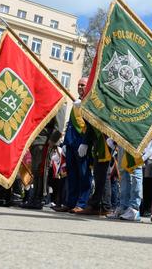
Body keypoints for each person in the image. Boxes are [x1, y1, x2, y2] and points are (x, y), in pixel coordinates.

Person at [53, 78, 93, 213]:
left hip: (81, 144)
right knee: (72, 176)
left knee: (83, 175)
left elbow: (90, 125)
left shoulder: (90, 103)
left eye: (83, 85)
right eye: (79, 84)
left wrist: (86, 143)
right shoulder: (77, 102)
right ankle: (70, 203)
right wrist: (64, 143)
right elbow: (70, 124)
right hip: (70, 143)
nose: (80, 87)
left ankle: (82, 203)